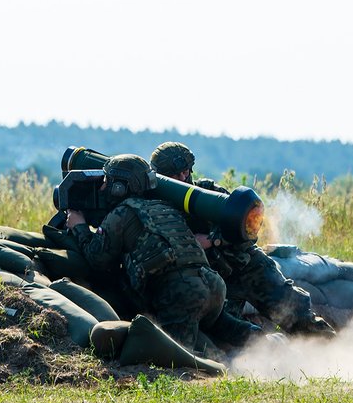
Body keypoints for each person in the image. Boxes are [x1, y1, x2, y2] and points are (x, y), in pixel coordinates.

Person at [149, 141, 336, 337]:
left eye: (185, 172)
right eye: (175, 174)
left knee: (292, 309)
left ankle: (329, 347)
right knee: (228, 334)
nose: (182, 177)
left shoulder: (209, 194)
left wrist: (212, 241)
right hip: (211, 282)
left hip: (245, 267)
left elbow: (248, 232)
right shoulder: (157, 209)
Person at [65, 154, 231, 355]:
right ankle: (265, 342)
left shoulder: (122, 214)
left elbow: (96, 258)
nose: (102, 187)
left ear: (119, 187)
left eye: (107, 181)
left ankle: (228, 367)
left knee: (176, 355)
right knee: (225, 330)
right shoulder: (165, 206)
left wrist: (80, 227)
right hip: (213, 285)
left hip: (182, 292)